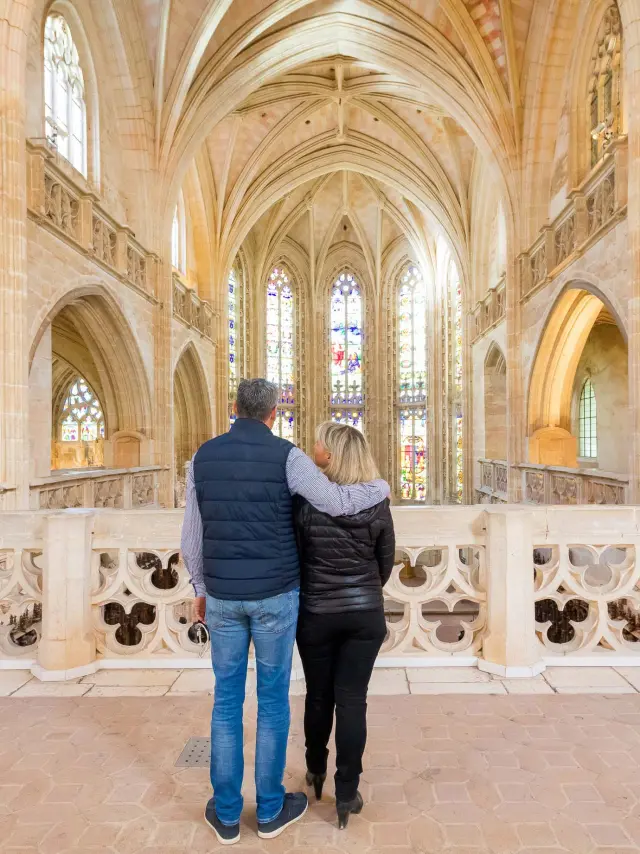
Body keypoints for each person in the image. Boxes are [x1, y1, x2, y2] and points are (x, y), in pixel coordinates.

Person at [180, 379, 390, 845]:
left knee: (226, 703)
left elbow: (191, 538)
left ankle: (229, 815)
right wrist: (380, 487)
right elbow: (336, 501)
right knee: (273, 703)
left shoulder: (202, 457)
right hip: (277, 594)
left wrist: (199, 587)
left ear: (234, 408)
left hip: (222, 596)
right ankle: (272, 810)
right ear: (274, 414)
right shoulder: (289, 457)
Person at [294, 422, 395, 829]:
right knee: (353, 701)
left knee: (318, 696)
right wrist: (364, 593)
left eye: (318, 442)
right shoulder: (378, 503)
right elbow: (384, 562)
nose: (313, 446)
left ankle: (316, 770)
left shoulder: (305, 503)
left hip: (317, 614)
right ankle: (347, 792)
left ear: (331, 455)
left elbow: (298, 558)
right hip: (364, 616)